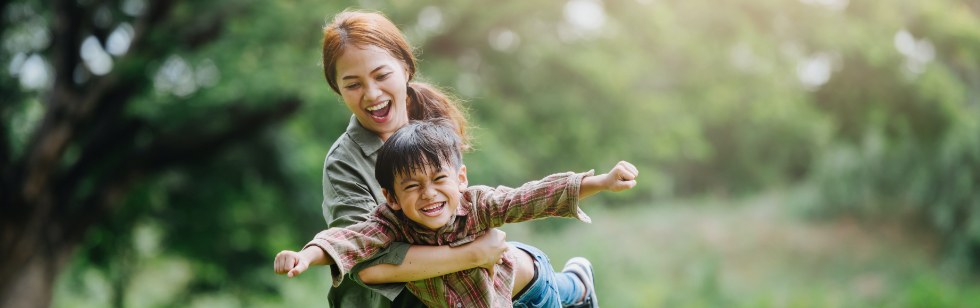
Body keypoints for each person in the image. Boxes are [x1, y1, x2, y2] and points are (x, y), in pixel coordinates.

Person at [275, 120, 639, 307]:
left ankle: (578, 281)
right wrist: (305, 256)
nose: (429, 194)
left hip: (530, 289)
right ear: (392, 197)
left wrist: (601, 182)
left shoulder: (478, 204)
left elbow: (531, 196)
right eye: (413, 186)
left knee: (566, 290)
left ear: (461, 178)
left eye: (438, 180)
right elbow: (348, 239)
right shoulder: (389, 223)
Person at [315, 10, 510, 307]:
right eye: (353, 84)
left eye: (381, 76)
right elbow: (365, 262)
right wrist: (473, 254)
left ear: (405, 69)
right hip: (391, 301)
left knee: (526, 264)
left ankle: (573, 287)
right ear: (338, 90)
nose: (371, 94)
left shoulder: (435, 129)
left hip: (449, 286)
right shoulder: (343, 163)